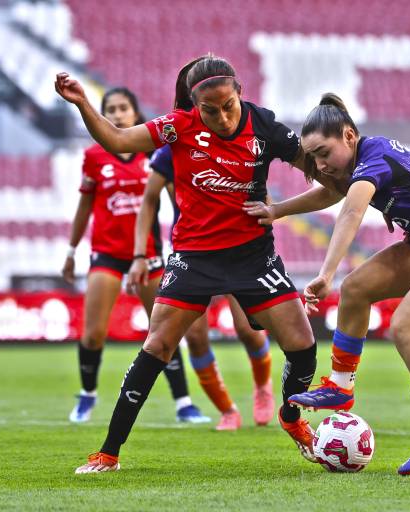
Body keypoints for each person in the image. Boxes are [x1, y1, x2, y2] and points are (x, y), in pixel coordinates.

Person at [56, 54, 318, 474]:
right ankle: (108, 452)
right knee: (157, 345)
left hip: (253, 255)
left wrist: (298, 199)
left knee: (302, 345)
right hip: (194, 258)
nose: (222, 117)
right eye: (210, 110)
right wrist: (83, 103)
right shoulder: (178, 125)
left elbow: (321, 171)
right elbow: (120, 141)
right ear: (195, 106)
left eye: (228, 105)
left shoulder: (264, 124)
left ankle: (291, 417)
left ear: (240, 94)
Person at [245, 93, 410, 476]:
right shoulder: (362, 160)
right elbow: (334, 193)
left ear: (348, 135)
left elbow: (351, 210)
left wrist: (326, 272)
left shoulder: (375, 157)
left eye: (323, 153)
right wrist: (278, 210)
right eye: (312, 157)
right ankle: (340, 385)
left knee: (405, 326)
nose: (319, 165)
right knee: (356, 288)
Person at [62, 87, 207, 425]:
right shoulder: (95, 156)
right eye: (109, 109)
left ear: (135, 113)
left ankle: (184, 403)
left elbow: (179, 200)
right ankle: (87, 396)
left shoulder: (154, 154)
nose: (116, 114)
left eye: (123, 107)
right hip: (107, 254)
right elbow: (84, 206)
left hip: (150, 254)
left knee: (164, 332)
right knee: (93, 332)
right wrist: (71, 250)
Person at [131, 141, 275, 431]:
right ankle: (228, 410)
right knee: (195, 337)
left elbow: (262, 193)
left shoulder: (233, 142)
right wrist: (138, 254)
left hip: (238, 248)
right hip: (193, 252)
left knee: (248, 329)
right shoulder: (169, 153)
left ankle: (262, 386)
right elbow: (148, 200)